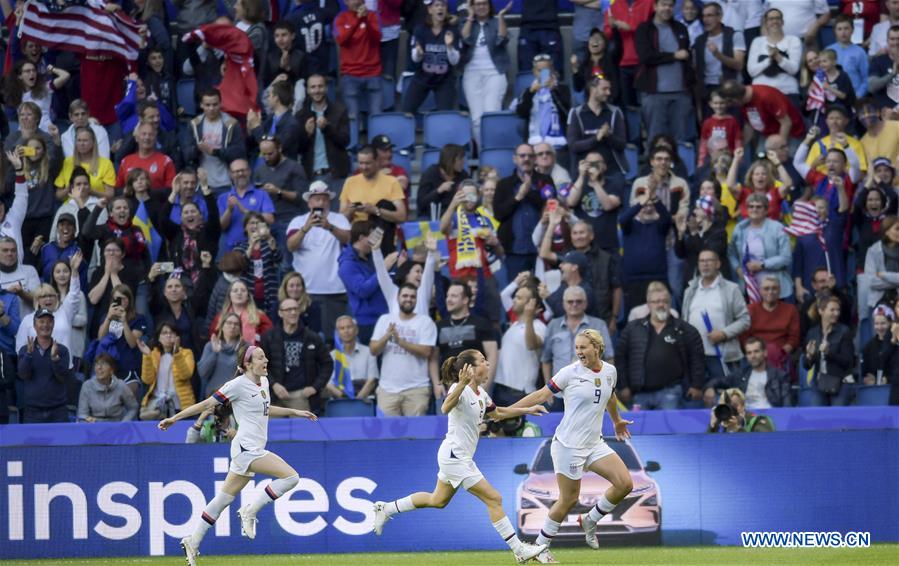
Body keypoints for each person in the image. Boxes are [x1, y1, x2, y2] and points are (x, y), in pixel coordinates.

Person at [371, 349, 547, 564]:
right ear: (470, 369)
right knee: (495, 499)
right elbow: (445, 407)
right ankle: (519, 549)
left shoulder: (482, 395)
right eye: (483, 360)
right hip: (455, 457)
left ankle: (386, 508)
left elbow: (498, 414)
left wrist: (527, 409)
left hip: (456, 456)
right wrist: (462, 384)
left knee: (438, 500)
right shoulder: (458, 388)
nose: (488, 364)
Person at [158, 343, 317, 566]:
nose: (266, 361)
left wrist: (294, 411)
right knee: (291, 477)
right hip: (246, 449)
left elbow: (265, 408)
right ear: (248, 364)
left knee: (222, 499)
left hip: (250, 449)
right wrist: (174, 419)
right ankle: (249, 511)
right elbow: (207, 403)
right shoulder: (236, 385)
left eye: (265, 357)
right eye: (261, 358)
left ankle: (193, 540)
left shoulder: (264, 381)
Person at [509, 330, 633, 562]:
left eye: (583, 347)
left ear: (597, 348)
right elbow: (540, 395)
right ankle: (539, 548)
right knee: (568, 499)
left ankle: (589, 519)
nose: (579, 352)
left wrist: (616, 421)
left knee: (625, 484)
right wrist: (508, 411)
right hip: (568, 446)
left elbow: (610, 396)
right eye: (576, 348)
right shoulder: (569, 373)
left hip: (594, 444)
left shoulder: (610, 371)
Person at [617, 285, 705, 409]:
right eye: (656, 302)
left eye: (665, 301)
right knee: (638, 428)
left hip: (672, 393)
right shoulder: (632, 328)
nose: (661, 305)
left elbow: (697, 358)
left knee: (667, 429)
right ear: (648, 304)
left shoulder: (685, 329)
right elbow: (620, 358)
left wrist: (696, 385)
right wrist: (623, 386)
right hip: (639, 394)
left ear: (670, 304)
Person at [286, 181, 351, 340]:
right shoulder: (298, 221)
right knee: (305, 338)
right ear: (309, 202)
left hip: (334, 290)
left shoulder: (339, 219)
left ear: (329, 201)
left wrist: (330, 227)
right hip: (305, 291)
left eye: (324, 198)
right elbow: (290, 246)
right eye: (316, 199)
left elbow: (349, 239)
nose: (321, 202)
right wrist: (306, 228)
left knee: (334, 339)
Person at [682, 249, 750, 388]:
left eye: (709, 261)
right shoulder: (689, 290)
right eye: (702, 261)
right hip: (695, 358)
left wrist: (724, 333)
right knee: (697, 402)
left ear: (718, 264)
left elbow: (745, 320)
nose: (705, 264)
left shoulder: (731, 289)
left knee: (724, 401)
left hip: (722, 357)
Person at [369, 284, 438, 416]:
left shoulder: (425, 322)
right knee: (386, 435)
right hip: (387, 390)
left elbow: (426, 352)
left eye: (412, 296)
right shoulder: (385, 320)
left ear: (416, 300)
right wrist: (387, 336)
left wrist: (400, 341)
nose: (408, 299)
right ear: (398, 298)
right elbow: (373, 350)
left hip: (417, 389)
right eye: (405, 296)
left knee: (416, 434)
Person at [635, 0, 696, 143]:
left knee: (680, 139)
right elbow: (646, 56)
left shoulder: (681, 28)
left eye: (670, 5)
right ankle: (652, 165)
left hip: (681, 92)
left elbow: (686, 54)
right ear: (655, 6)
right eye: (663, 4)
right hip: (654, 92)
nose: (667, 8)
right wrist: (674, 56)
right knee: (656, 139)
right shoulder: (644, 29)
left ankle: (679, 166)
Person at [494, 144, 557, 278]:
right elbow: (499, 214)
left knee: (543, 291)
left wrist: (528, 192)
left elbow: (552, 207)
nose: (526, 159)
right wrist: (518, 197)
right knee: (517, 293)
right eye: (522, 156)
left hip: (541, 248)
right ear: (514, 159)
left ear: (535, 159)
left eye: (530, 156)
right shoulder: (504, 184)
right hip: (515, 251)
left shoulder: (545, 180)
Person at [261, 297, 333, 413]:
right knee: (271, 430)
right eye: (288, 309)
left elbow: (327, 363)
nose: (293, 312)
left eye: (295, 309)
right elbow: (260, 365)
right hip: (274, 394)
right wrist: (274, 384)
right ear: (280, 313)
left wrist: (315, 387)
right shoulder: (268, 337)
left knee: (302, 430)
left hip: (301, 395)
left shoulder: (312, 337)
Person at [459, 0, 512, 145]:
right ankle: (484, 153)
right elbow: (464, 38)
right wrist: (470, 16)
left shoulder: (495, 22)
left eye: (484, 4)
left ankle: (493, 150)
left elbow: (502, 39)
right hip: (472, 74)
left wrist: (501, 17)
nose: (481, 7)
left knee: (491, 114)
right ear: (472, 6)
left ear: (489, 6)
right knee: (476, 119)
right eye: (477, 4)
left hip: (494, 72)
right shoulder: (465, 21)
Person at [338, 146, 407, 253]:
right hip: (358, 234)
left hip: (382, 234)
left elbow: (402, 216)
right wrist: (351, 209)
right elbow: (341, 218)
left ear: (377, 162)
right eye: (361, 163)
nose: (364, 167)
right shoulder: (350, 182)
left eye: (368, 163)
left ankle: (378, 252)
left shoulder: (391, 182)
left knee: (384, 204)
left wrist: (375, 211)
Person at [728, 193, 793, 302]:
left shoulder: (777, 228)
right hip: (749, 287)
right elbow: (731, 253)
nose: (754, 209)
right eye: (751, 206)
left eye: (759, 207)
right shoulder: (739, 228)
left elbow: (786, 258)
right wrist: (737, 268)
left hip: (774, 287)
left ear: (766, 210)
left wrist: (762, 265)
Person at [16, 308, 74, 423]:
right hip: (32, 412)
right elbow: (23, 375)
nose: (46, 325)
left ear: (53, 324)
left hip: (58, 411)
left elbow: (62, 377)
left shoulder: (62, 350)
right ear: (34, 325)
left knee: (61, 441)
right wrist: (28, 355)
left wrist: (55, 359)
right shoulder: (25, 350)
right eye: (41, 321)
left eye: (49, 322)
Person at [402, 0, 461, 112]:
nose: (440, 8)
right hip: (422, 78)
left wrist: (449, 47)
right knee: (407, 110)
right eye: (437, 5)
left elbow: (455, 61)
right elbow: (415, 58)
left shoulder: (452, 30)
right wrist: (418, 53)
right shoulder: (420, 29)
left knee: (445, 116)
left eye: (443, 5)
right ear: (430, 10)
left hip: (444, 80)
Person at [184, 90, 247, 193]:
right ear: (201, 105)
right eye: (207, 105)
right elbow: (186, 154)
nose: (211, 108)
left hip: (226, 183)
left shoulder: (231, 124)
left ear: (221, 103)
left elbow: (240, 153)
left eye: (215, 104)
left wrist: (215, 152)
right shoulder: (194, 124)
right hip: (202, 184)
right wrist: (197, 149)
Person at [493, 285, 546, 406]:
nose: (514, 300)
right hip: (501, 388)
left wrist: (529, 317)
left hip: (521, 392)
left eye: (519, 298)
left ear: (532, 304)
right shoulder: (514, 324)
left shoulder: (539, 326)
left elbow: (531, 344)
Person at [337, 221, 389, 343]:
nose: (377, 241)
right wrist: (383, 268)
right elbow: (362, 290)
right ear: (361, 238)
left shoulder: (371, 256)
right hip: (366, 323)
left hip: (383, 317)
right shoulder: (347, 264)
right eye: (373, 236)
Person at [295, 74, 351, 183]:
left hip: (335, 175)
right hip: (311, 175)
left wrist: (327, 128)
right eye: (313, 87)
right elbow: (298, 149)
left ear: (326, 88)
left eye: (320, 86)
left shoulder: (339, 111)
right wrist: (307, 134)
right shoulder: (301, 115)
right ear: (308, 90)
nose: (317, 90)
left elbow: (345, 141)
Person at [801, 295, 855, 406]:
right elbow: (807, 366)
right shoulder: (812, 333)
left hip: (841, 383)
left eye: (838, 310)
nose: (836, 313)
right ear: (821, 311)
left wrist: (828, 353)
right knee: (818, 418)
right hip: (820, 383)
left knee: (838, 419)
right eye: (832, 310)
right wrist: (809, 356)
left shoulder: (844, 331)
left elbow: (849, 362)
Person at [335, 0, 383, 122]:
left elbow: (377, 38)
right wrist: (358, 21)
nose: (356, 1)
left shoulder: (373, 15)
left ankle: (376, 141)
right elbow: (342, 40)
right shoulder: (340, 18)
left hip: (373, 73)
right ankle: (353, 141)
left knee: (376, 116)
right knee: (352, 117)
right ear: (345, 2)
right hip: (350, 75)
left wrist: (365, 20)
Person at [693, 2, 745, 109]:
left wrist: (717, 54)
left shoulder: (735, 35)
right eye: (703, 16)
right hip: (707, 91)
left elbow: (739, 65)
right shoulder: (699, 41)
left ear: (720, 17)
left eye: (710, 15)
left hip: (731, 90)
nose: (705, 19)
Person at [514, 54, 570, 149]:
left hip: (558, 144)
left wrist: (553, 91)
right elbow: (520, 113)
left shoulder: (563, 89)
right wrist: (531, 92)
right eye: (539, 70)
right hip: (534, 144)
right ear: (534, 72)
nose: (543, 73)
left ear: (552, 70)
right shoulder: (528, 91)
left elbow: (566, 113)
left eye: (546, 70)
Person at [218, 158, 276, 250]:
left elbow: (270, 220)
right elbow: (222, 227)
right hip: (232, 248)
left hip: (258, 246)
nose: (240, 174)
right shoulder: (223, 197)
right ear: (231, 174)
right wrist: (229, 210)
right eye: (236, 171)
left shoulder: (262, 194)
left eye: (243, 170)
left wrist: (245, 211)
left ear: (249, 171)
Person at [746, 8, 802, 103]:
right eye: (771, 19)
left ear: (783, 22)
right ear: (766, 23)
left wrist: (779, 57)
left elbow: (794, 69)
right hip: (761, 91)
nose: (775, 21)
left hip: (787, 91)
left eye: (777, 18)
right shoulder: (757, 41)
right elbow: (751, 71)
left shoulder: (793, 40)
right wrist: (768, 60)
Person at [745, 276, 800, 371]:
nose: (770, 292)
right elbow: (745, 337)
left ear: (779, 290)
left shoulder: (790, 310)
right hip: (756, 355)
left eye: (774, 288)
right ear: (760, 291)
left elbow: (794, 338)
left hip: (781, 356)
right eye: (766, 289)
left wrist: (780, 353)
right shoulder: (750, 309)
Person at [327, 315, 379, 400]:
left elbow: (372, 380)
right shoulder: (332, 356)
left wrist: (357, 400)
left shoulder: (368, 352)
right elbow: (328, 383)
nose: (346, 331)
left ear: (356, 330)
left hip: (364, 399)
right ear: (337, 333)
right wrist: (344, 397)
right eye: (342, 328)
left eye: (349, 327)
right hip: (340, 399)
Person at [208, 280, 273, 345]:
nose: (239, 293)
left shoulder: (259, 316)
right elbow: (213, 337)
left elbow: (270, 336)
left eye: (243, 290)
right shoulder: (220, 317)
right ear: (229, 296)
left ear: (248, 296)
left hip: (252, 353)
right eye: (235, 291)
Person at [77, 354, 139, 422]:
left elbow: (133, 408)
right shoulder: (87, 386)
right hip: (94, 427)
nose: (99, 367)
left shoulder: (120, 385)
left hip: (116, 427)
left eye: (103, 364)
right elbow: (82, 414)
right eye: (97, 364)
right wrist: (90, 423)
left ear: (111, 370)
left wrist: (123, 423)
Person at [198, 312, 243, 398]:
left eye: (236, 324)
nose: (232, 326)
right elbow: (202, 373)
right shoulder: (210, 345)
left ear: (240, 328)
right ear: (222, 326)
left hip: (236, 397)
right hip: (214, 396)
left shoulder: (244, 347)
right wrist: (215, 353)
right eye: (229, 323)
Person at [826, 14, 868, 98]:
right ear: (834, 31)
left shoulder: (860, 52)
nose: (843, 32)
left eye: (846, 28)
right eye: (839, 29)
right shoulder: (828, 50)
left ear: (852, 30)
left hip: (854, 96)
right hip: (833, 96)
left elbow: (866, 79)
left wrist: (858, 95)